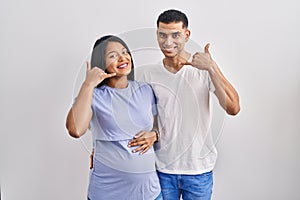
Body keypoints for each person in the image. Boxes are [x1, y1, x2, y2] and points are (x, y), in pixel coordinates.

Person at [128, 9, 240, 200]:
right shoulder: (147, 75)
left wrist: (212, 68)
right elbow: (130, 115)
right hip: (161, 169)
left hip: (198, 171)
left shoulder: (203, 69)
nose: (168, 42)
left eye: (175, 35)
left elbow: (233, 108)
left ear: (186, 35)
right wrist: (104, 148)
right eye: (162, 35)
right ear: (157, 34)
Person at [66, 35, 162, 200]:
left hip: (149, 192)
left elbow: (160, 125)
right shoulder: (93, 95)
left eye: (125, 52)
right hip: (108, 193)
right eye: (113, 55)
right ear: (101, 63)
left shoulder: (146, 90)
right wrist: (88, 84)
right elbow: (75, 129)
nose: (122, 57)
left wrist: (155, 135)